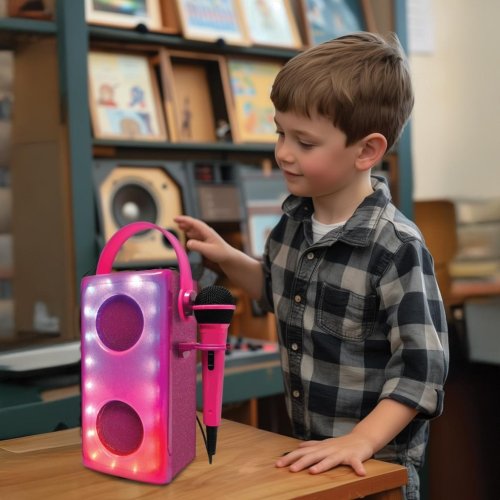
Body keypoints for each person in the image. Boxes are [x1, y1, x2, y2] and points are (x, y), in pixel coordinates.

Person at [176, 32, 448, 500]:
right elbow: (275, 289)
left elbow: (422, 370)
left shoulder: (397, 247)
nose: (283, 152)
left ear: (366, 151)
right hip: (310, 458)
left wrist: (360, 441)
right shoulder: (291, 225)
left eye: (304, 142)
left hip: (374, 471)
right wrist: (226, 257)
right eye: (280, 133)